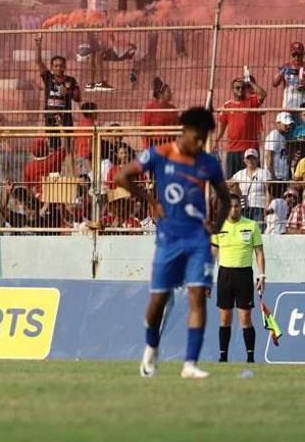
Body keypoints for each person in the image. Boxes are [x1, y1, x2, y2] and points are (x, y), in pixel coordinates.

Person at [114, 106, 231, 379]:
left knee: (197, 297)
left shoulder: (208, 163)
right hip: (168, 239)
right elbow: (122, 176)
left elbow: (224, 198)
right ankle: (151, 348)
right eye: (198, 136)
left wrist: (215, 228)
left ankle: (190, 364)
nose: (201, 143)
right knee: (158, 301)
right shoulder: (160, 154)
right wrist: (151, 201)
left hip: (198, 240)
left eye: (205, 138)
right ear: (185, 131)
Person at [211, 197, 267, 364]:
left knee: (245, 318)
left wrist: (262, 275)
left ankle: (250, 358)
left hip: (244, 275)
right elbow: (212, 254)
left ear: (240, 208)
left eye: (236, 206)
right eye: (230, 206)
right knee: (225, 319)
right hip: (225, 275)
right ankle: (223, 357)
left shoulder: (251, 226)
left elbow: (259, 253)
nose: (233, 209)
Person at [217, 74, 268, 178]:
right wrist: (217, 140)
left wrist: (250, 83)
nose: (240, 89)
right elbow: (222, 126)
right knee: (232, 181)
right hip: (233, 149)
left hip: (250, 148)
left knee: (253, 180)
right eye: (237, 87)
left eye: (243, 87)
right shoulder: (227, 105)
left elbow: (262, 94)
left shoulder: (251, 101)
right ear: (232, 89)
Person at [231, 149, 273, 224]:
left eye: (253, 158)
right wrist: (238, 192)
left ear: (257, 160)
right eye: (248, 158)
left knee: (259, 231)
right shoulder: (239, 174)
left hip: (259, 206)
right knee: (244, 232)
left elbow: (269, 191)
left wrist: (267, 206)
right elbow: (229, 184)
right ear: (244, 160)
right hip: (244, 207)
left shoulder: (264, 173)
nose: (251, 160)